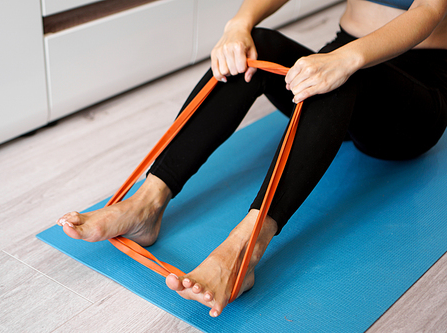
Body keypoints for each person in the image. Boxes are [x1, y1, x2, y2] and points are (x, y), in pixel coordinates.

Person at [56, 0, 447, 318]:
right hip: (337, 62)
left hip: (413, 93)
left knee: (350, 74)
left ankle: (245, 248)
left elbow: (427, 13)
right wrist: (239, 24)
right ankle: (147, 203)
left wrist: (347, 60)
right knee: (256, 44)